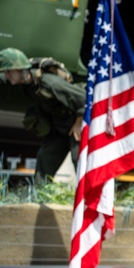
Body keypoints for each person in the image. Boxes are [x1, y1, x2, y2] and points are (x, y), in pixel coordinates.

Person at [0, 47, 85, 183]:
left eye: (9, 72)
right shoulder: (23, 80)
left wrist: (78, 122)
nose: (7, 75)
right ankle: (40, 197)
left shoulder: (49, 82)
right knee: (45, 158)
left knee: (80, 159)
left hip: (75, 123)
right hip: (59, 127)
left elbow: (84, 99)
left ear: (20, 69)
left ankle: (90, 199)